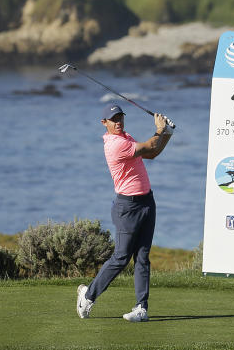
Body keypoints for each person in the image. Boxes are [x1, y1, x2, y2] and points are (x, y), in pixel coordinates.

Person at [76, 103, 173, 322]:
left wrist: (167, 133)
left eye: (120, 118)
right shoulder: (114, 145)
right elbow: (150, 144)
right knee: (121, 257)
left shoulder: (126, 137)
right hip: (127, 207)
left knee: (142, 257)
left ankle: (141, 308)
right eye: (114, 120)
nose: (118, 122)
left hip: (147, 201)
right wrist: (160, 130)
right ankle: (88, 296)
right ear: (104, 124)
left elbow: (152, 153)